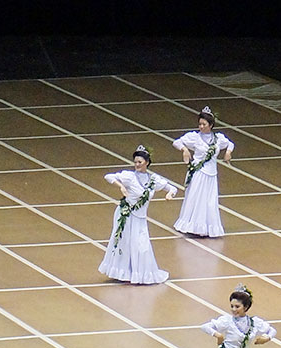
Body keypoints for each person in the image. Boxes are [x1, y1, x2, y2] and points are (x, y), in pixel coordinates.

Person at [99, 145, 177, 284]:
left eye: (140, 162)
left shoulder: (153, 180)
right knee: (124, 243)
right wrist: (121, 186)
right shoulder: (129, 177)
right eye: (135, 162)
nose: (137, 165)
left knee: (141, 245)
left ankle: (140, 273)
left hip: (140, 218)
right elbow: (109, 176)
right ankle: (123, 272)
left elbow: (172, 188)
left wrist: (170, 194)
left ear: (147, 162)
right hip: (126, 215)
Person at [172, 106, 234, 237]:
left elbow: (230, 144)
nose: (201, 126)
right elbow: (177, 142)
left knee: (209, 200)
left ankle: (207, 227)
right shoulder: (194, 137)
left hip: (211, 174)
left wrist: (228, 152)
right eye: (200, 124)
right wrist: (185, 150)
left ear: (210, 125)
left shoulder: (218, 138)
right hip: (198, 172)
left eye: (204, 124)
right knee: (196, 197)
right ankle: (192, 225)